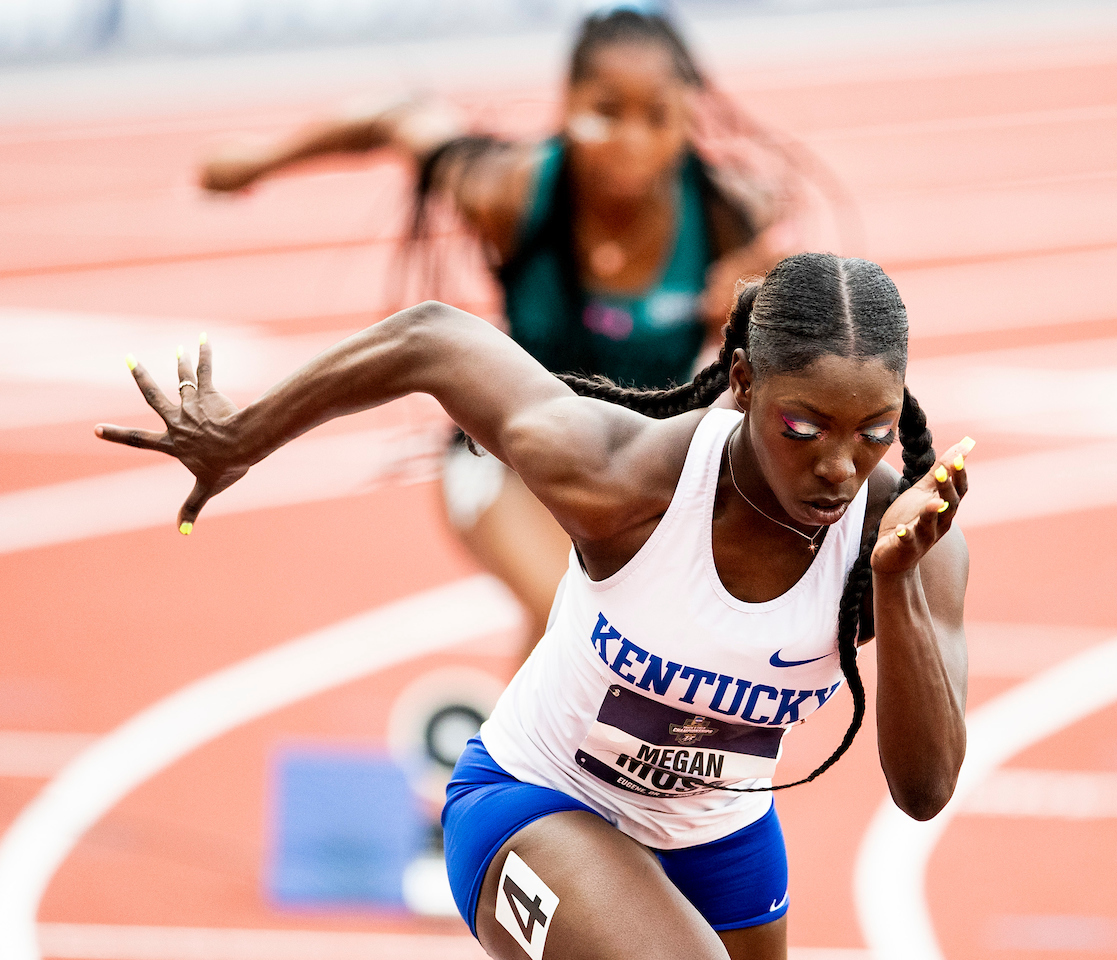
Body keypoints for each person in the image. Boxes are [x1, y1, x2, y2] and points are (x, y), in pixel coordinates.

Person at [96, 252, 970, 960]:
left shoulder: (907, 543)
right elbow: (432, 340)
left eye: (874, 431)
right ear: (742, 383)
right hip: (537, 799)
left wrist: (895, 585)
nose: (839, 467)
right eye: (803, 429)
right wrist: (245, 438)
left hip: (722, 841)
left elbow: (924, 792)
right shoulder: (621, 480)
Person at [198, 7, 799, 660]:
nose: (631, 139)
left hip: (629, 475)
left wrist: (753, 312)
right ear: (566, 105)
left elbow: (799, 369)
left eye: (656, 116)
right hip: (505, 457)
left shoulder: (726, 221)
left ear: (687, 114)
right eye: (606, 111)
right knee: (571, 619)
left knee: (625, 648)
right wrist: (258, 160)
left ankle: (494, 751)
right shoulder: (512, 193)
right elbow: (398, 118)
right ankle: (507, 760)